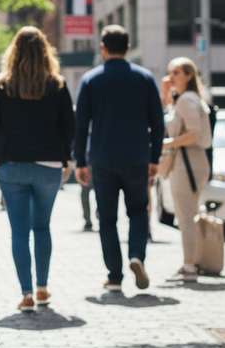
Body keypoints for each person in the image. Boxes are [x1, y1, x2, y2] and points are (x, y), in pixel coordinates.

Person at [0, 27, 76, 311]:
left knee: (19, 232)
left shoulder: (0, 85)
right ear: (45, 51)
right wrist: (65, 157)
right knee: (42, 227)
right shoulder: (57, 84)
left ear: (14, 52)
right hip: (48, 165)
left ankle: (26, 294)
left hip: (11, 166)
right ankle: (43, 288)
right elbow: (69, 126)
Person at [74, 25, 164, 293]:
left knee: (107, 218)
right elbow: (157, 123)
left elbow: (81, 124)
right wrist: (154, 157)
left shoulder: (91, 80)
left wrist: (80, 161)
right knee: (138, 211)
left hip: (102, 159)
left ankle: (114, 276)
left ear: (103, 48)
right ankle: (136, 255)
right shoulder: (145, 78)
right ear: (127, 48)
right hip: (137, 157)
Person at [160, 57, 212, 282]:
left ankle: (190, 265)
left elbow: (194, 134)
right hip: (190, 161)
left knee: (186, 217)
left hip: (188, 162)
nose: (171, 77)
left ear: (189, 76)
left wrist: (168, 143)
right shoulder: (185, 99)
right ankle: (191, 262)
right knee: (185, 215)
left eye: (177, 72)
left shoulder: (187, 100)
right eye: (170, 72)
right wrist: (166, 95)